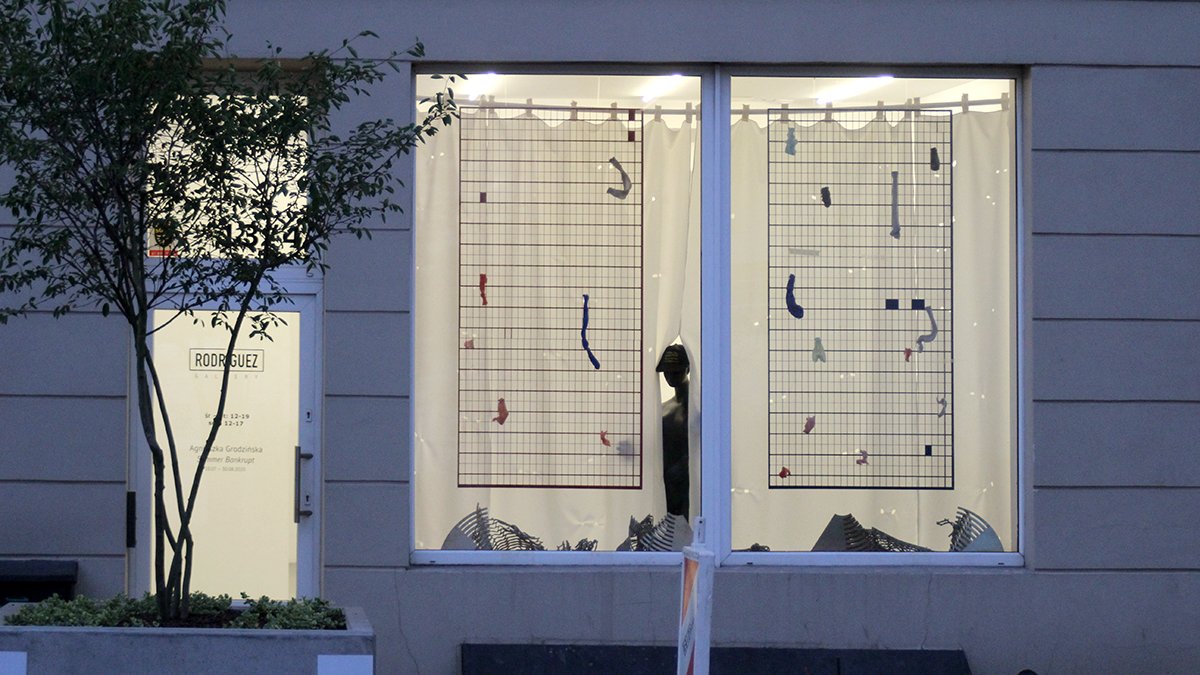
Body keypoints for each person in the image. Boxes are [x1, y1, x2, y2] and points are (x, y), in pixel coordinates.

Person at [656, 344, 690, 518]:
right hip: (666, 490)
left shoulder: (699, 408)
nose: (670, 376)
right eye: (666, 372)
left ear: (688, 368)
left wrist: (685, 464)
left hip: (690, 490)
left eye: (675, 371)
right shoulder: (664, 409)